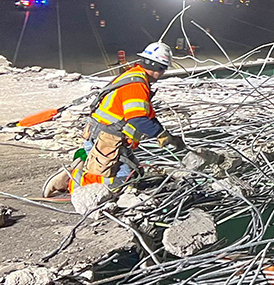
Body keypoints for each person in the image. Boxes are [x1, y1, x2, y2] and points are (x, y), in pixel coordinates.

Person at [42, 42, 185, 198]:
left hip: (111, 137)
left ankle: (85, 168)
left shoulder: (135, 76)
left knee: (135, 176)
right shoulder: (136, 86)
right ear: (158, 67)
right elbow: (137, 118)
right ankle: (70, 180)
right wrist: (160, 134)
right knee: (121, 184)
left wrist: (166, 134)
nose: (163, 73)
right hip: (106, 138)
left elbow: (147, 115)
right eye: (163, 69)